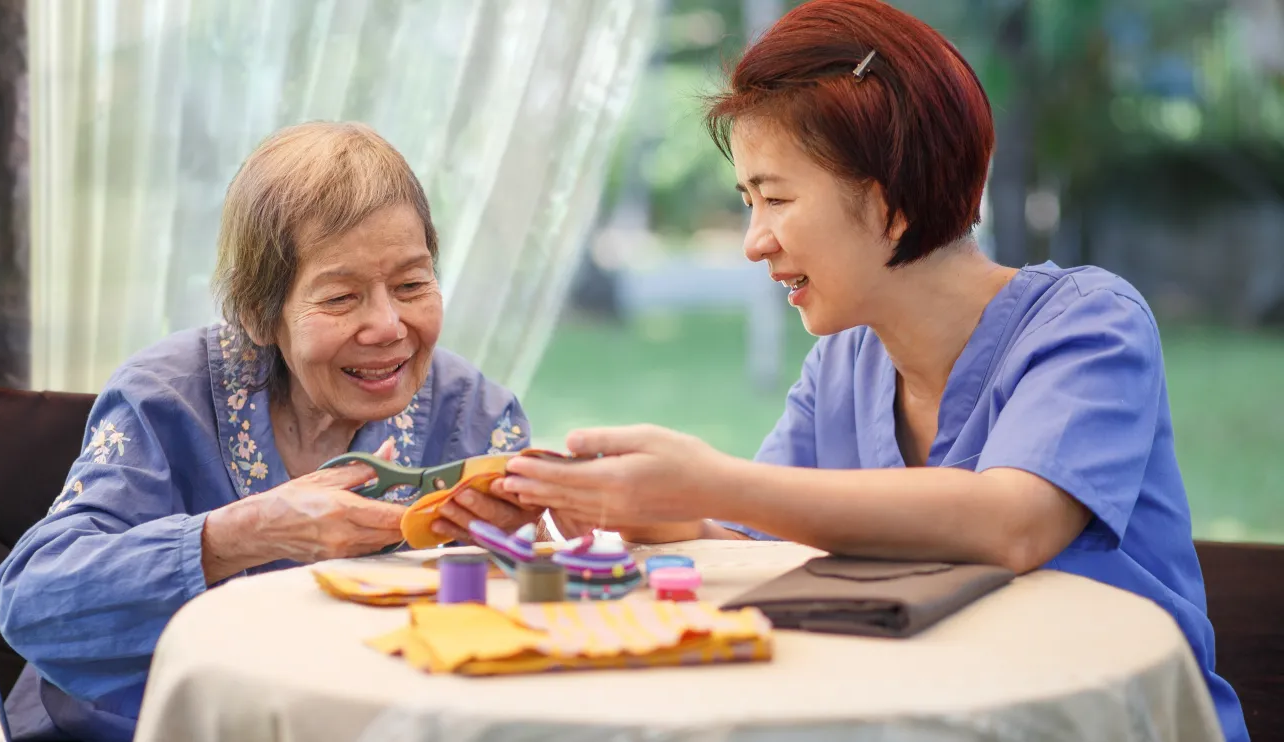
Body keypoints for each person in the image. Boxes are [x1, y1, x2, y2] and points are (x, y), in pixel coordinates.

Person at [501, 1, 1248, 739]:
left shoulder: (1089, 324)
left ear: (890, 204)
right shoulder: (841, 366)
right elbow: (755, 535)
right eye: (746, 201)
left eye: (775, 198)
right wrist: (634, 507)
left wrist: (708, 479)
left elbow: (1012, 523)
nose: (753, 242)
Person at [0, 121, 538, 741]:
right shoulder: (167, 400)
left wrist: (535, 544)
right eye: (340, 298)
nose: (389, 325)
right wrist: (246, 531)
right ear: (258, 312)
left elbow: (528, 617)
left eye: (412, 284)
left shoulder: (474, 415)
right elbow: (34, 600)